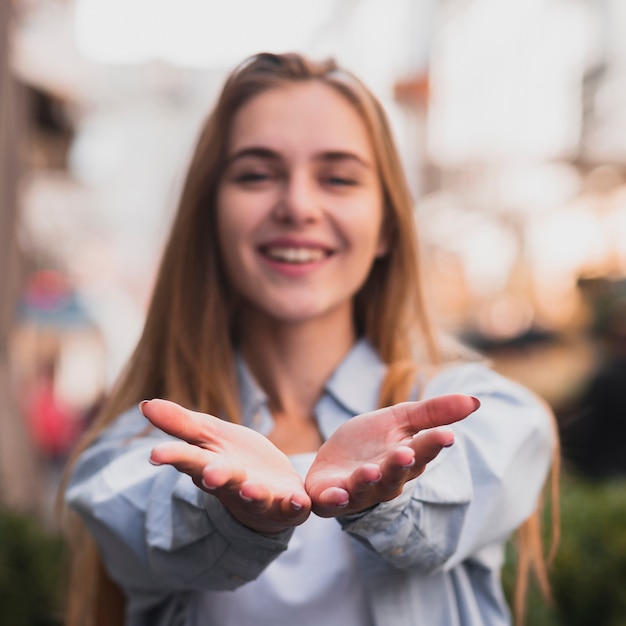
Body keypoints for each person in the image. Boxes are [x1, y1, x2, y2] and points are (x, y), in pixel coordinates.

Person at [62, 52, 559, 626]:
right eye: (256, 174)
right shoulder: (135, 449)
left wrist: (394, 492)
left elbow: (466, 492)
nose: (297, 205)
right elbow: (148, 522)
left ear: (387, 228)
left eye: (339, 178)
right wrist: (230, 516)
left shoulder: (482, 414)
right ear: (210, 218)